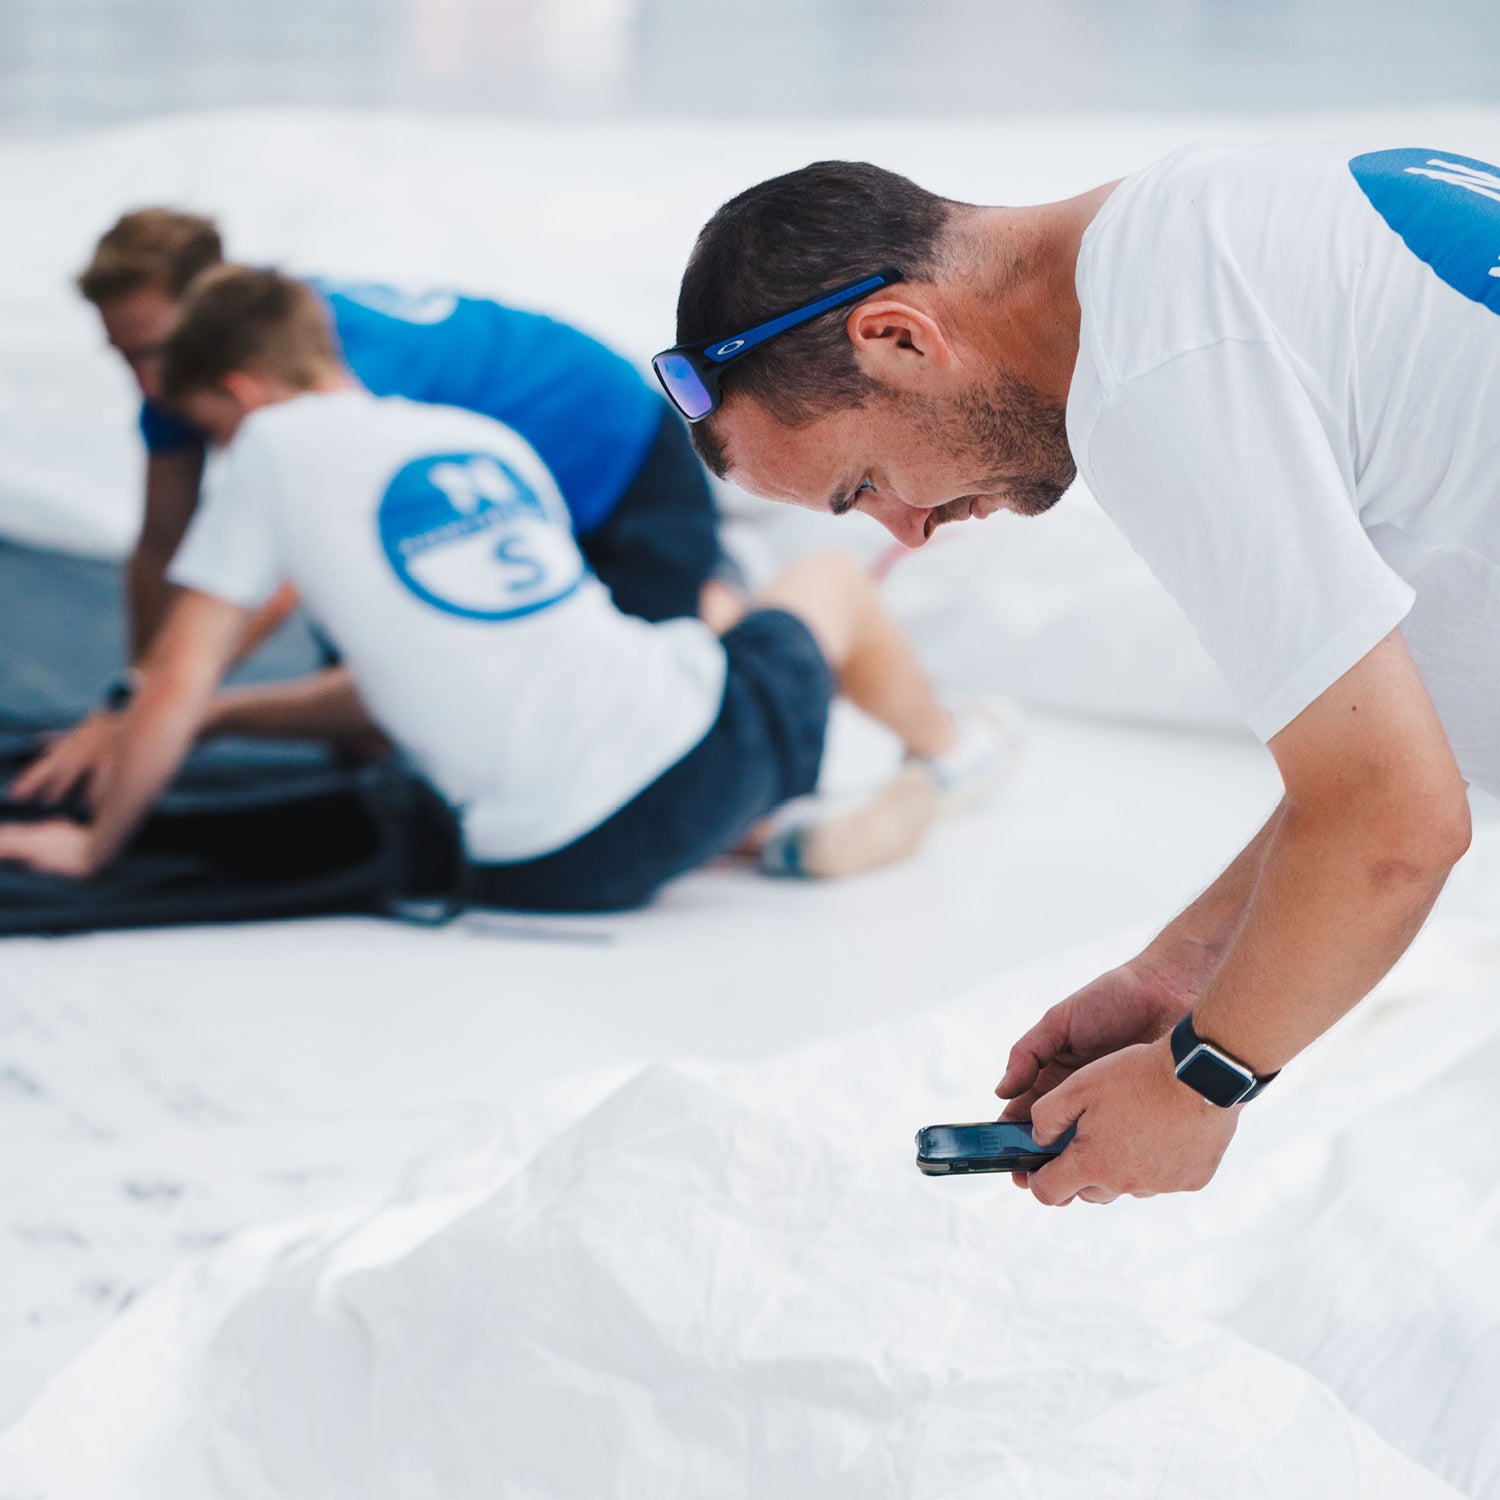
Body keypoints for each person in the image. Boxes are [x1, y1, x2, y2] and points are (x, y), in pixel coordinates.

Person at [657, 146, 1500, 1205]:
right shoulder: (1211, 237)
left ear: (900, 337)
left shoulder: (1154, 372)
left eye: (865, 483)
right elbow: (1384, 757)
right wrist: (1186, 970)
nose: (909, 533)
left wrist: (1200, 1083)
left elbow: (1393, 822)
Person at [0, 267, 1014, 908]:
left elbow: (179, 674)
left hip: (536, 869)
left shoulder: (269, 444)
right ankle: (947, 754)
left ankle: (783, 823)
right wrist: (193, 723)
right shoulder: (480, 437)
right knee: (826, 580)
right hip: (677, 778)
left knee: (704, 641)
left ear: (239, 392)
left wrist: (101, 840)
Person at [14, 208, 733, 804]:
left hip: (622, 458)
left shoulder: (328, 360)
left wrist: (138, 708)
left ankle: (724, 613)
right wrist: (140, 710)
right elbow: (160, 543)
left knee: (631, 742)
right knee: (376, 736)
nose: (144, 383)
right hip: (486, 490)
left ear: (205, 320)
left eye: (152, 353)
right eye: (122, 355)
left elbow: (274, 581)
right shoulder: (183, 374)